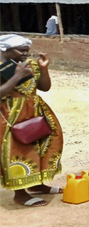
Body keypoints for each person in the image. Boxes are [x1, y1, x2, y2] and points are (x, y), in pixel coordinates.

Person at [0, 34, 64, 207]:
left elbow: (44, 87)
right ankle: (20, 194)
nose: (25, 54)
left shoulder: (30, 65)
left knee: (43, 146)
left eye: (26, 50)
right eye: (20, 50)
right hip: (11, 115)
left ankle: (37, 184)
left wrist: (43, 69)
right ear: (6, 49)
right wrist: (16, 76)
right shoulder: (1, 67)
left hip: (35, 112)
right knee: (18, 151)